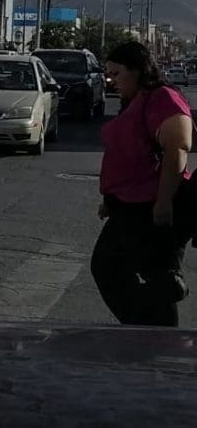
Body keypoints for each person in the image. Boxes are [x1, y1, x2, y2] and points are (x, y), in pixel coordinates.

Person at [92, 41, 192, 326]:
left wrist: (163, 202)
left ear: (136, 70)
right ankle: (148, 332)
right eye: (107, 74)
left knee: (137, 272)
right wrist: (110, 198)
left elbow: (179, 147)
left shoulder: (162, 98)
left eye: (116, 73)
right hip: (128, 204)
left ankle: (156, 339)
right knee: (115, 269)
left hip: (150, 207)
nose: (111, 81)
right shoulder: (134, 101)